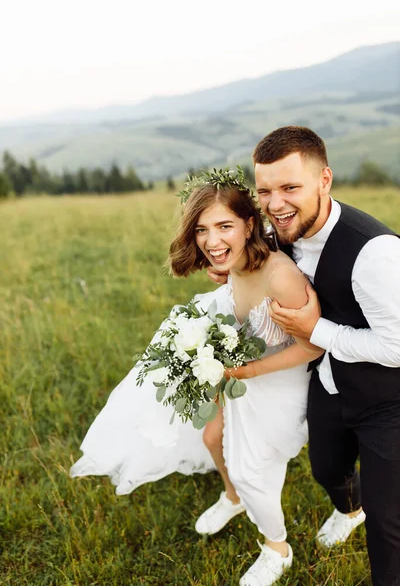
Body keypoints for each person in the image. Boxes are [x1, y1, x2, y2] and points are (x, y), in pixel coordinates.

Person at [70, 168, 323, 586]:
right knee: (210, 436)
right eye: (202, 229)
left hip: (276, 379)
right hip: (239, 364)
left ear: (248, 223)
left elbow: (311, 347)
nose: (211, 240)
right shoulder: (236, 262)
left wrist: (247, 370)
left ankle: (277, 547)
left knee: (249, 469)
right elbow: (235, 292)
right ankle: (233, 497)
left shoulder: (281, 277)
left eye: (224, 226)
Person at [207, 127, 400, 586]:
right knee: (327, 468)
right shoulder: (282, 229)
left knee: (389, 525)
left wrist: (318, 330)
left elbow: (397, 347)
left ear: (324, 181)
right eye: (266, 190)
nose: (275, 204)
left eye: (290, 187)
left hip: (388, 400)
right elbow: (266, 257)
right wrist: (234, 268)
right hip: (330, 383)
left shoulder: (375, 254)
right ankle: (348, 510)